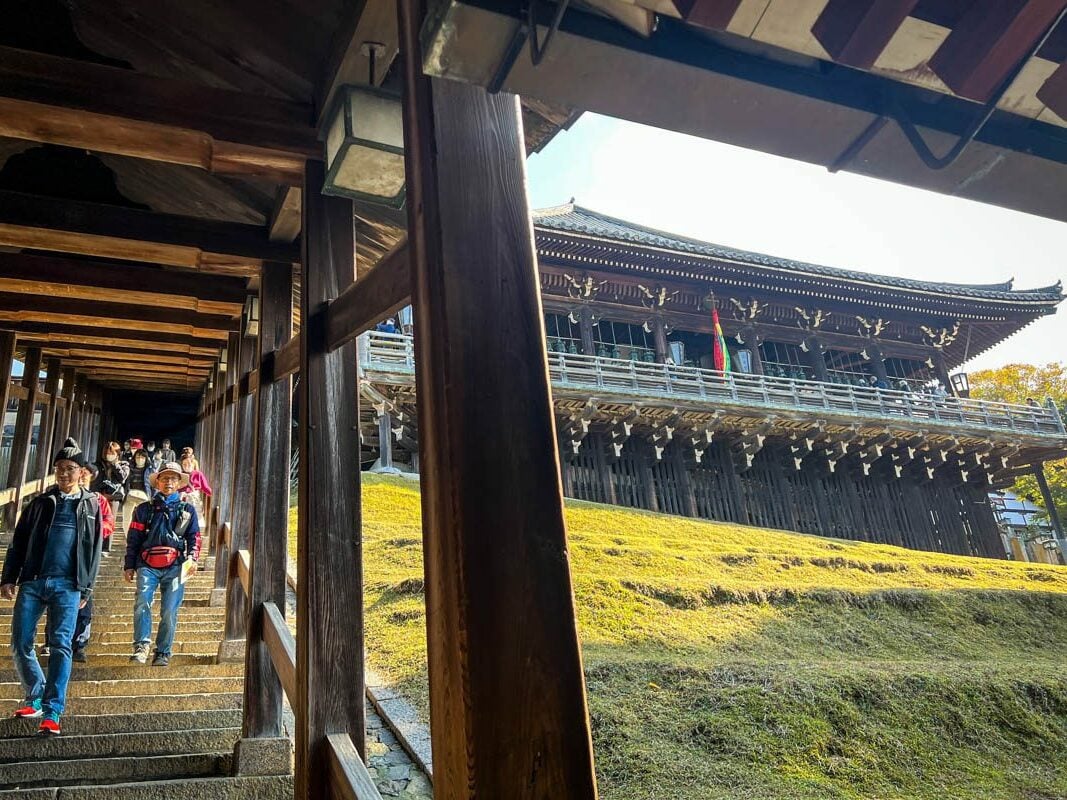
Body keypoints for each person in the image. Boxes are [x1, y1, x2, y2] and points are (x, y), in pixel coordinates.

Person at [0, 438, 104, 735]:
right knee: (20, 642)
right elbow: (19, 540)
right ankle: (35, 694)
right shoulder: (41, 502)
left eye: (70, 468)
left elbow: (93, 549)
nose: (64, 474)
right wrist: (9, 576)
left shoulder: (91, 505)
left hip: (68, 585)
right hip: (33, 581)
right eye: (59, 468)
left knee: (60, 645)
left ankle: (53, 709)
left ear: (82, 471)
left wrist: (86, 588)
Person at [124, 461, 201, 667]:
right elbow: (134, 539)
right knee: (142, 603)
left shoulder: (188, 510)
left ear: (179, 483)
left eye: (173, 478)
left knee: (169, 610)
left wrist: (193, 557)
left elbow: (194, 537)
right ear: (157, 482)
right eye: (165, 478)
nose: (169, 482)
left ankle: (163, 651)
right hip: (146, 564)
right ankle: (141, 646)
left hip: (175, 565)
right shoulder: (143, 510)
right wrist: (129, 565)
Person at [70, 465, 115, 663]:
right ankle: (53, 642)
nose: (81, 478)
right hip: (64, 557)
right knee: (57, 603)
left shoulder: (98, 500)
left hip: (87, 559)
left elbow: (109, 523)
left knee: (84, 601)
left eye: (85, 475)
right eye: (78, 474)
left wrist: (94, 532)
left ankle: (80, 643)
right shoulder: (64, 499)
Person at [123, 448, 152, 533]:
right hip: (130, 495)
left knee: (142, 519)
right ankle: (127, 537)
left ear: (146, 459)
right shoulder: (129, 468)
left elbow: (153, 485)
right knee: (126, 518)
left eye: (142, 457)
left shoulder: (149, 469)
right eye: (138, 457)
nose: (140, 459)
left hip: (144, 496)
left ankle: (140, 538)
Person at [180, 453, 212, 523]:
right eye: (184, 464)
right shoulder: (180, 475)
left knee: (195, 520)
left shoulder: (198, 474)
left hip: (194, 500)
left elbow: (205, 487)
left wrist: (213, 494)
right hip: (182, 501)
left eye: (189, 464)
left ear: (193, 463)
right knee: (182, 522)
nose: (186, 466)